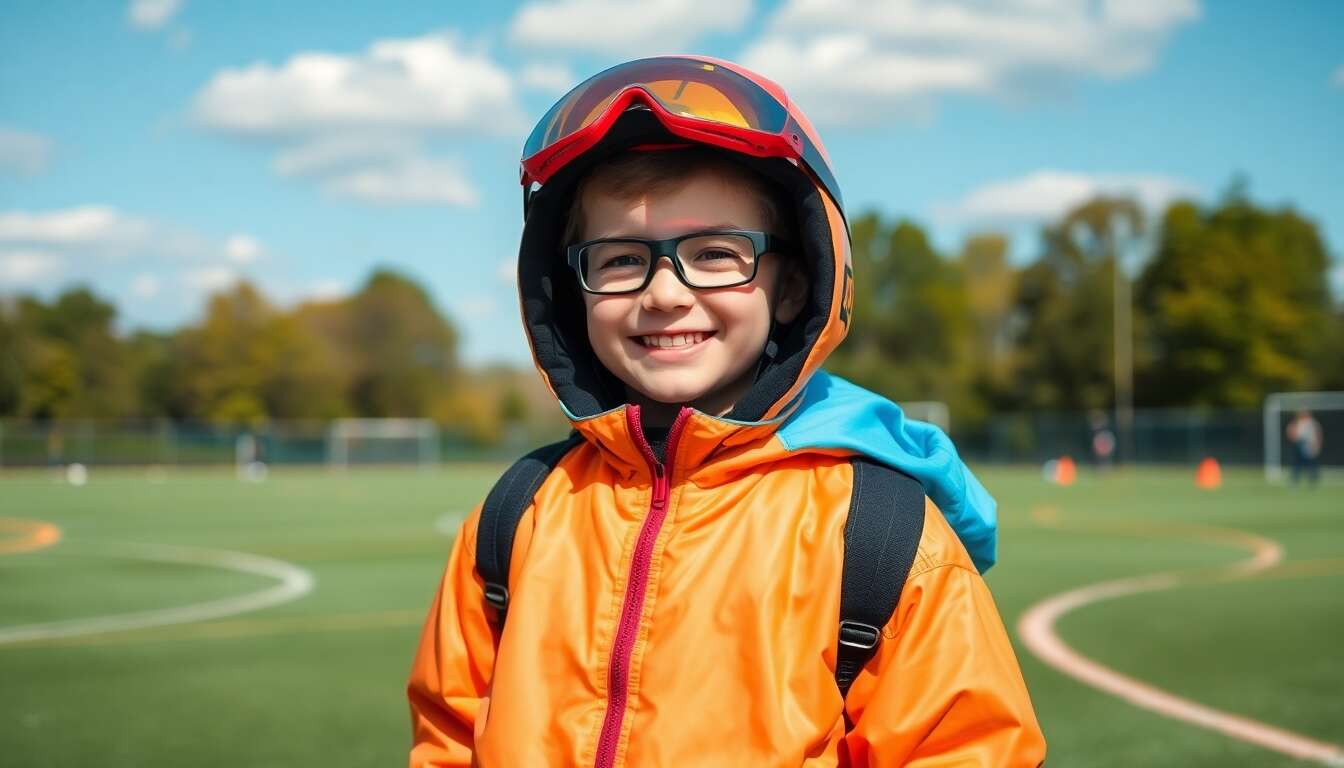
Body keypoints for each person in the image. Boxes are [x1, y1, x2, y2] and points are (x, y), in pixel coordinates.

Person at [408, 56, 1045, 766]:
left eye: (715, 253)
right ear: (568, 289)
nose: (664, 294)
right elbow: (449, 737)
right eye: (619, 259)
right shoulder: (513, 518)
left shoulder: (883, 537)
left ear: (797, 284)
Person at [1286, 409, 1323, 486]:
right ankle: (1295, 479)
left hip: (1310, 444)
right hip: (1299, 444)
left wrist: (1316, 444)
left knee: (1311, 463)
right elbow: (1291, 432)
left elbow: (1317, 434)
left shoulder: (1312, 423)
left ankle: (1312, 480)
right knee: (1297, 463)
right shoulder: (1297, 423)